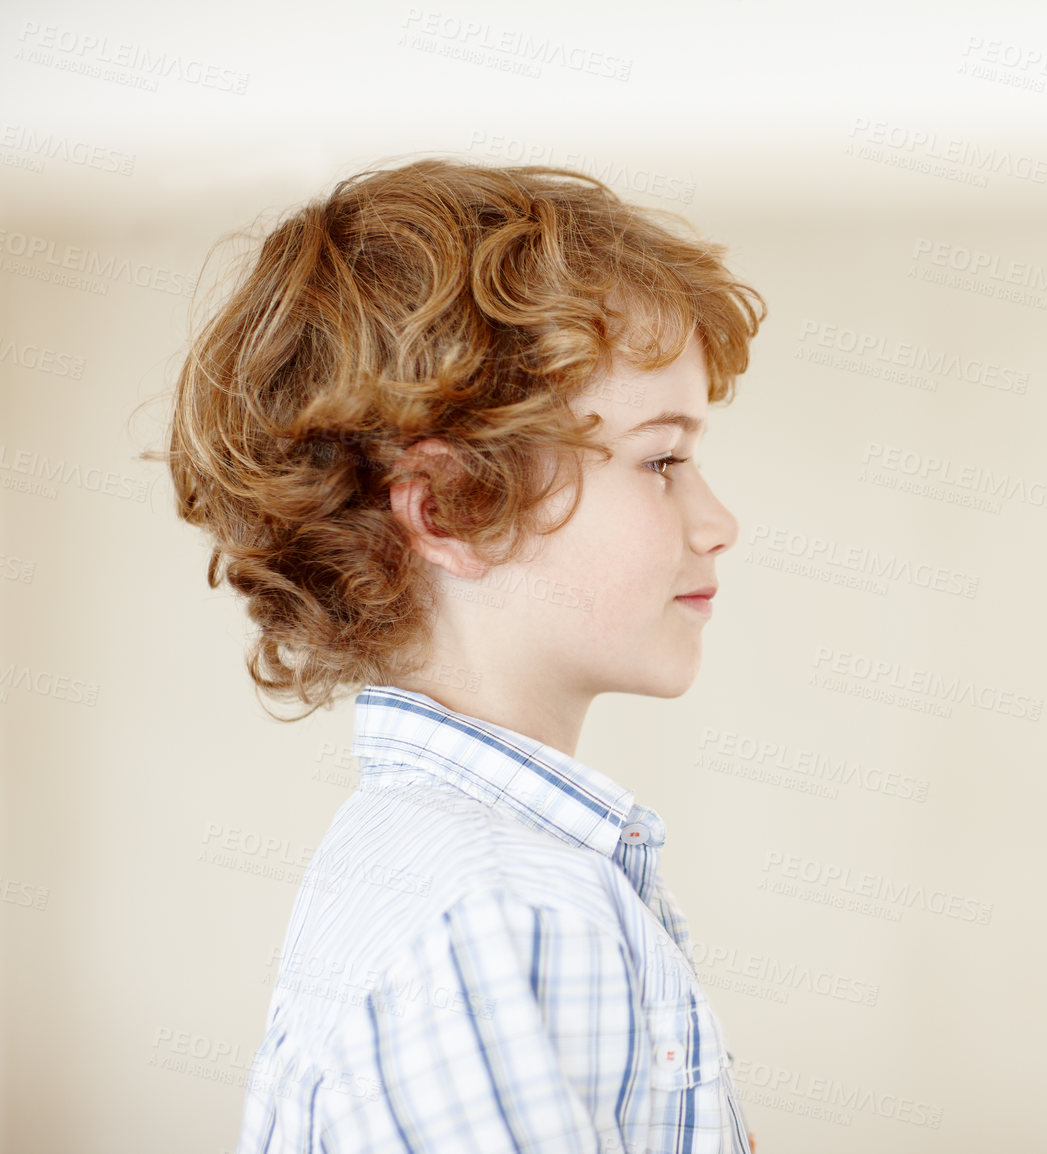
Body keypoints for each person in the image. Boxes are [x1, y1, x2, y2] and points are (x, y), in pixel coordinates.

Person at [165, 159, 765, 1152]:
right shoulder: (493, 909)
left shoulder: (459, 869)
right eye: (662, 459)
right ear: (450, 508)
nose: (719, 520)